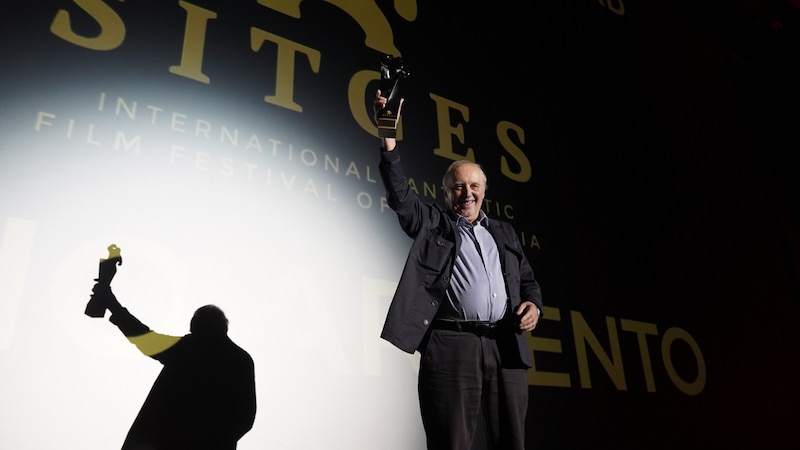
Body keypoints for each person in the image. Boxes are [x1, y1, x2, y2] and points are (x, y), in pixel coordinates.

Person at [374, 90, 543, 450]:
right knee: (451, 441)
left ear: (484, 190)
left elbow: (528, 280)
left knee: (513, 441)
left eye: (474, 186)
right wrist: (388, 137)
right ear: (447, 193)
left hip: (505, 342)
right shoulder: (433, 223)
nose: (467, 193)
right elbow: (401, 195)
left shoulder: (504, 232)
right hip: (451, 344)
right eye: (458, 187)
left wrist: (534, 305)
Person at [88, 271, 257, 450]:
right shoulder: (241, 360)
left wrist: (112, 304)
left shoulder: (190, 348)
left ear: (196, 327)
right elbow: (245, 419)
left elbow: (146, 339)